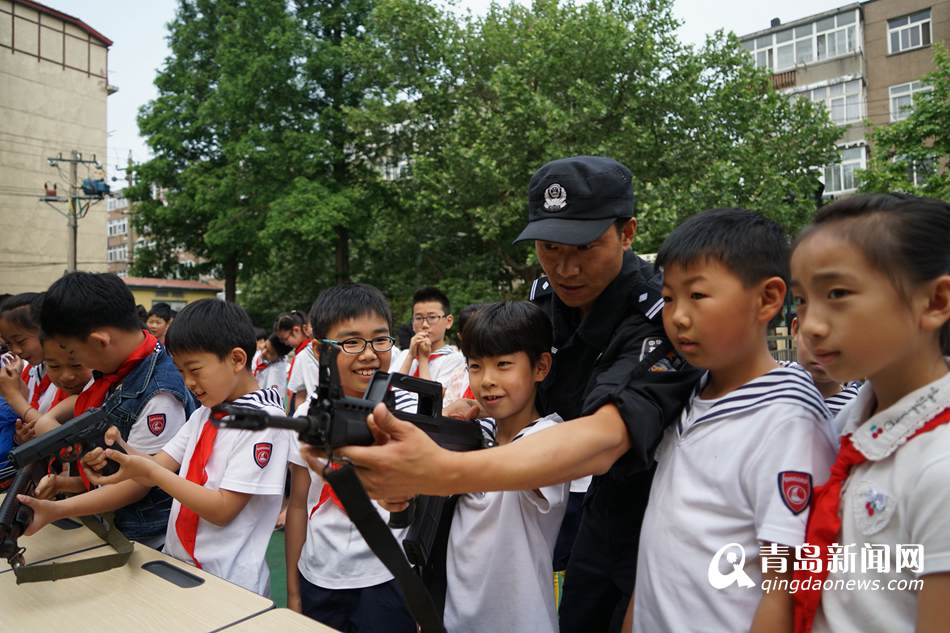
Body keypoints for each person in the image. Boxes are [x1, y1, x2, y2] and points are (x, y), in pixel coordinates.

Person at [313, 156, 701, 633]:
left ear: (628, 233)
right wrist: (476, 406)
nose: (565, 267)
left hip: (648, 518)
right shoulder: (545, 297)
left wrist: (444, 471)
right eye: (549, 247)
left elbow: (607, 436)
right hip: (572, 512)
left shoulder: (657, 316)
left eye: (584, 246)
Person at [631, 208, 836, 632]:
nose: (678, 316)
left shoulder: (787, 421)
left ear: (767, 299)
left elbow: (786, 584)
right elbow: (660, 551)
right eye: (668, 298)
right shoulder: (689, 392)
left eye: (698, 296)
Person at [21, 299, 293, 595]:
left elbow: (222, 509)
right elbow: (159, 462)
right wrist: (118, 449)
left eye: (195, 369)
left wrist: (148, 471)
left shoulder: (265, 423)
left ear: (237, 359)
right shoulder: (207, 411)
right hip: (181, 565)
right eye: (181, 371)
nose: (188, 382)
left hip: (231, 581)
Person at [789, 194, 950, 633]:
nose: (812, 325)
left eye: (837, 293)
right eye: (802, 300)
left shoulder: (940, 467)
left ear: (936, 302)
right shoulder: (847, 429)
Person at [285, 284, 415, 632]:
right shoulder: (304, 417)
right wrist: (294, 593)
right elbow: (299, 504)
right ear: (318, 350)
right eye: (351, 342)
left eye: (380, 339)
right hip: (320, 575)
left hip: (389, 573)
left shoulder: (411, 411)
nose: (370, 354)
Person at [32, 272, 196, 546]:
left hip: (145, 537)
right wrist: (65, 483)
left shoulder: (159, 395)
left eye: (74, 354)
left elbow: (137, 484)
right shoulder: (121, 365)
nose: (77, 363)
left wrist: (57, 510)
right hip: (111, 520)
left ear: (99, 341)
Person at [445, 301, 568, 633]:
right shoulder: (478, 434)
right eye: (475, 366)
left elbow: (525, 463)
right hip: (455, 620)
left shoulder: (549, 437)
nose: (486, 380)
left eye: (503, 364)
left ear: (540, 367)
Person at [393, 287, 467, 403]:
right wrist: (410, 356)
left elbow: (430, 401)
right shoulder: (404, 355)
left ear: (448, 321)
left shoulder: (454, 359)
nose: (425, 325)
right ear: (413, 323)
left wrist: (423, 359)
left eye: (432, 317)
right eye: (418, 318)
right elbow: (389, 393)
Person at [0, 294, 59, 437]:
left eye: (20, 341)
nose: (15, 351)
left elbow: (62, 437)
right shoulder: (31, 371)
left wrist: (13, 395)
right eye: (8, 344)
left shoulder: (70, 376)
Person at [790, 317, 860, 418]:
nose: (825, 348)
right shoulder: (769, 376)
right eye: (815, 335)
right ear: (796, 329)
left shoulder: (860, 415)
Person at [276, 310, 317, 411]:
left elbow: (298, 393)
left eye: (285, 339)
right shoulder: (310, 350)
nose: (285, 344)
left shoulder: (302, 355)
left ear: (296, 330)